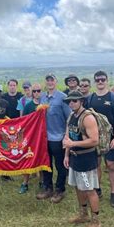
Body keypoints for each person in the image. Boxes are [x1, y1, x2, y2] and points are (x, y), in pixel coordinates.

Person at [63, 91, 101, 227]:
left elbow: (94, 140)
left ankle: (96, 221)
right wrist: (67, 154)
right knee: (78, 187)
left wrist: (73, 143)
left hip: (86, 159)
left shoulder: (88, 118)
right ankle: (83, 214)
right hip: (74, 158)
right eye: (69, 101)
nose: (71, 103)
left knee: (90, 189)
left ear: (81, 101)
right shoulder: (72, 116)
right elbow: (67, 137)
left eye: (74, 101)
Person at [86, 70, 114, 208]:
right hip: (95, 139)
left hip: (111, 138)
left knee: (112, 165)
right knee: (95, 165)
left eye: (103, 79)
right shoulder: (90, 99)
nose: (100, 82)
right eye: (98, 80)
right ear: (95, 82)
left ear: (107, 80)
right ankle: (98, 189)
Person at [37, 73, 71, 203]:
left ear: (56, 82)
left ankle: (60, 189)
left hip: (58, 137)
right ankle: (47, 188)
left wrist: (66, 136)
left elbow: (69, 118)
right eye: (48, 80)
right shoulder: (42, 97)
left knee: (60, 165)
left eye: (52, 80)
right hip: (45, 137)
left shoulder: (63, 98)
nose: (50, 82)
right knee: (46, 164)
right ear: (45, 83)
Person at [18, 82, 42, 194]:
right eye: (34, 91)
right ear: (32, 93)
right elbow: (23, 122)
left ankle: (42, 181)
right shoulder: (28, 106)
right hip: (31, 136)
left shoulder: (46, 104)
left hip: (42, 136)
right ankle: (25, 183)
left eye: (39, 91)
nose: (36, 93)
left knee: (42, 158)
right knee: (27, 158)